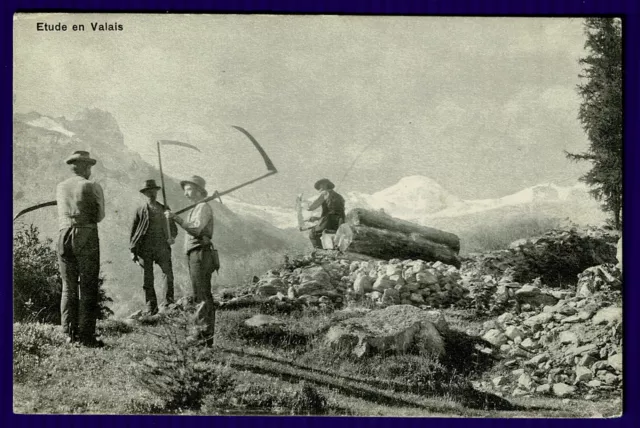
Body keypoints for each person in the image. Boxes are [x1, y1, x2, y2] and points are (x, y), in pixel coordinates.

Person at [56, 150, 105, 347]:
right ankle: (86, 336)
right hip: (86, 235)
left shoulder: (60, 187)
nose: (90, 170)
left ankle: (68, 333)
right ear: (85, 167)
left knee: (68, 286)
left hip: (63, 235)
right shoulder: (92, 185)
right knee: (88, 286)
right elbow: (100, 215)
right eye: (89, 167)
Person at [164, 175, 216, 346]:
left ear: (199, 190)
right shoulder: (197, 207)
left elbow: (196, 229)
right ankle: (203, 334)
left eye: (188, 189)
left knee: (201, 294)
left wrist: (176, 219)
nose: (185, 193)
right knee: (200, 293)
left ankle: (201, 336)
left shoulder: (202, 207)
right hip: (196, 253)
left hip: (200, 253)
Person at [129, 179, 178, 315]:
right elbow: (133, 232)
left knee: (167, 274)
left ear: (156, 192)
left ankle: (169, 303)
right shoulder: (140, 211)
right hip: (145, 248)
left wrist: (172, 237)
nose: (151, 193)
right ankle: (151, 307)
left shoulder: (165, 209)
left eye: (153, 191)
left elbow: (173, 228)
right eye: (148, 191)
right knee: (147, 278)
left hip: (162, 246)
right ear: (145, 193)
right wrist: (132, 250)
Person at [307, 178, 346, 249]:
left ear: (325, 185)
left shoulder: (325, 193)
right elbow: (336, 211)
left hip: (329, 220)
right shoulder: (340, 196)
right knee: (328, 235)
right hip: (340, 221)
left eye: (320, 185)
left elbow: (311, 208)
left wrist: (304, 205)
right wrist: (317, 218)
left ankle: (319, 251)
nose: (319, 188)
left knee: (313, 234)